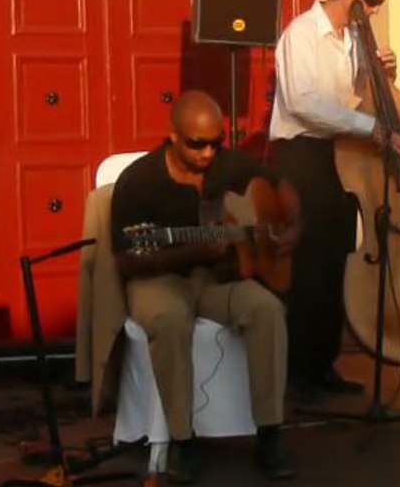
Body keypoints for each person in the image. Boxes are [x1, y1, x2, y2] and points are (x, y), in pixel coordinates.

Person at [111, 91, 297, 483]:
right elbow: (127, 259)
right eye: (197, 144)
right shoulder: (140, 181)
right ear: (173, 136)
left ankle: (269, 434)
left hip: (215, 279)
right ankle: (182, 440)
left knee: (267, 309)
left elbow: (281, 185)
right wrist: (191, 251)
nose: (208, 153)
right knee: (169, 319)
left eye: (215, 142)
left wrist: (293, 226)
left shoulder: (228, 164)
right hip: (158, 277)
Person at [268, 0, 400, 401]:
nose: (372, 12)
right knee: (307, 262)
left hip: (342, 154)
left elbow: (358, 101)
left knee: (337, 259)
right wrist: (372, 128)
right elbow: (304, 102)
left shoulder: (355, 38)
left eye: (379, 5)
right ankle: (295, 371)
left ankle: (322, 362)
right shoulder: (301, 34)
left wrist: (384, 77)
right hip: (303, 153)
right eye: (369, 1)